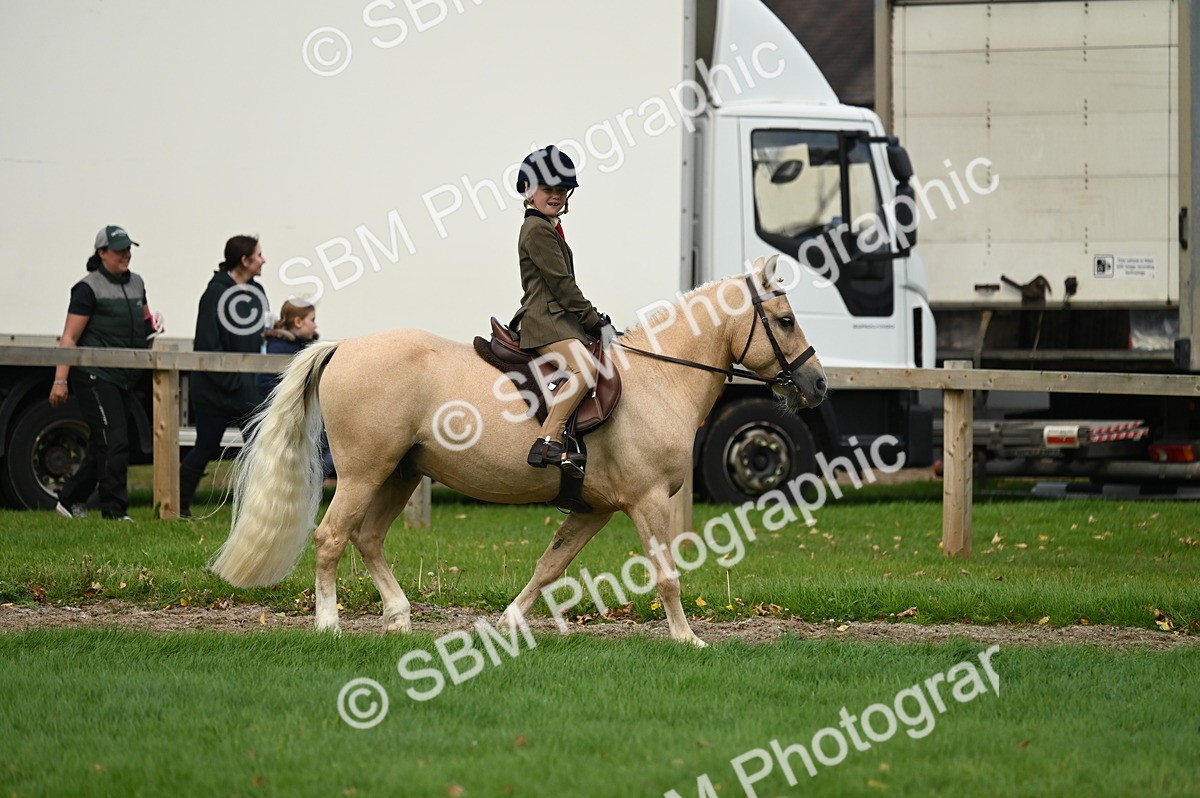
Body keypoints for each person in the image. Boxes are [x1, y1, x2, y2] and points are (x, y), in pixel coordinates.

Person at [508, 145, 613, 473]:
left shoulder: (548, 225)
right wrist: (593, 319)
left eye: (561, 190)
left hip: (559, 318)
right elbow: (562, 286)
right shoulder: (537, 229)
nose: (555, 196)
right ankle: (548, 441)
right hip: (544, 320)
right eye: (547, 189)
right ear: (529, 190)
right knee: (585, 368)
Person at [50, 225, 159, 521]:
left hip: (125, 375)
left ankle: (68, 499)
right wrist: (60, 380)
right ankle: (114, 511)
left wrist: (153, 329)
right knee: (115, 441)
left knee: (106, 443)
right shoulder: (88, 288)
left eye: (128, 248)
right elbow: (69, 338)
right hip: (95, 375)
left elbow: (146, 320)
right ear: (101, 253)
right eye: (119, 249)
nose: (126, 254)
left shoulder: (137, 282)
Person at [178, 235, 268, 519]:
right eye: (259, 255)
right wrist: (234, 382)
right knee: (206, 445)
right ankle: (176, 506)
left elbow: (260, 333)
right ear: (244, 260)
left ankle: (259, 510)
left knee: (259, 447)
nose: (263, 260)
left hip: (244, 388)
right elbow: (207, 344)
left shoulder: (258, 291)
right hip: (215, 388)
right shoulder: (214, 294)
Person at [256, 298, 335, 478]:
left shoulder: (301, 347)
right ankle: (309, 486)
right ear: (298, 322)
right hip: (291, 418)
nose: (315, 326)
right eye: (312, 320)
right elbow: (264, 383)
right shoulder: (280, 349)